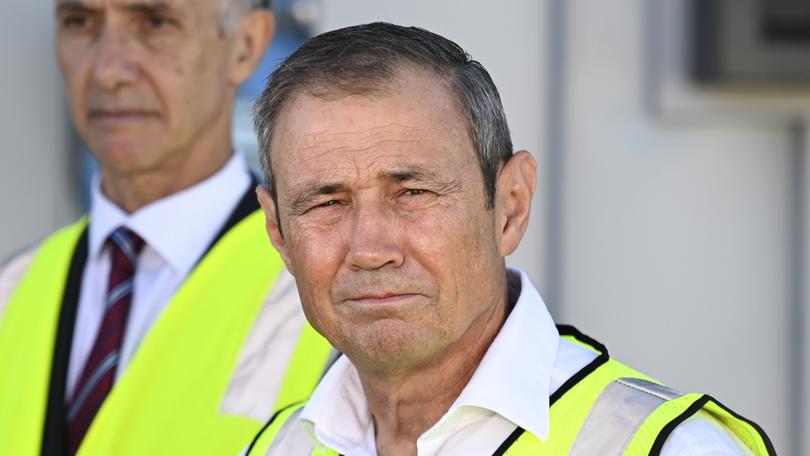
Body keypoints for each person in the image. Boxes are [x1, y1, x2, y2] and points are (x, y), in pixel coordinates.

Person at [243, 22, 775, 456]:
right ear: (279, 233)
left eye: (413, 192)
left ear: (511, 207)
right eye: (327, 203)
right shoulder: (278, 447)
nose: (370, 249)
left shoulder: (672, 450)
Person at [0, 1, 332, 455]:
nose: (107, 71)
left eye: (156, 22)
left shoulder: (332, 296)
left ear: (246, 46)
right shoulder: (10, 289)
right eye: (80, 22)